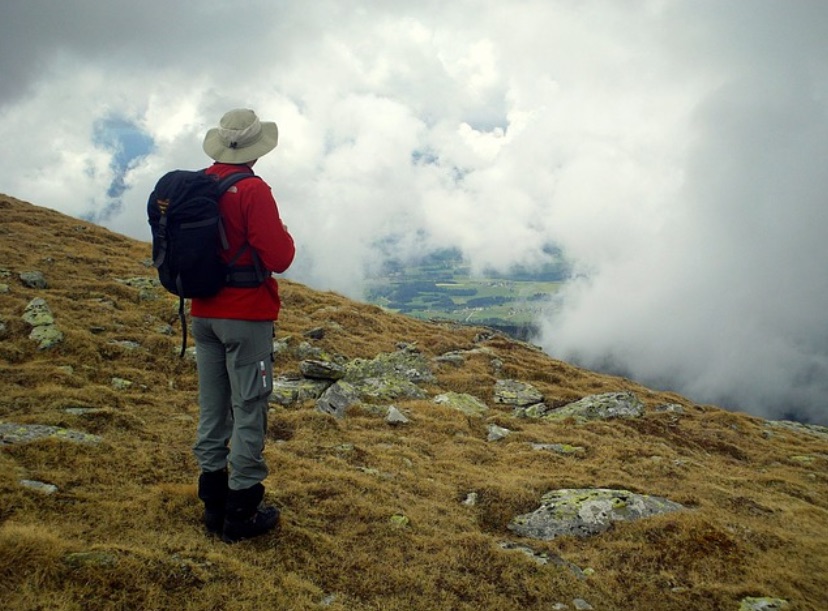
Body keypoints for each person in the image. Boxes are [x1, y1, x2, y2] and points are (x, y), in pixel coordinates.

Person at [191, 108, 295, 543]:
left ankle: (213, 503)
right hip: (246, 316)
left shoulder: (200, 183)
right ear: (255, 149)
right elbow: (280, 257)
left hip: (203, 312)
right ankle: (241, 511)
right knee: (250, 406)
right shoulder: (253, 190)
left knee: (214, 407)